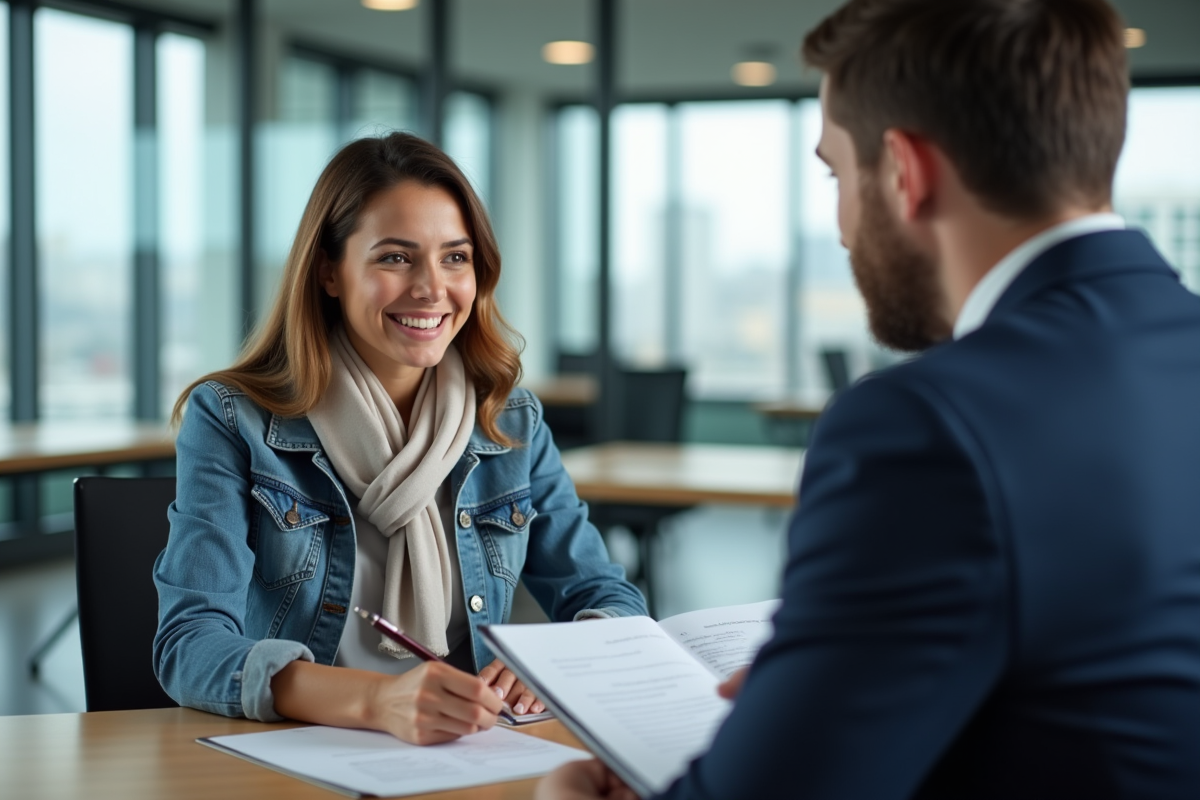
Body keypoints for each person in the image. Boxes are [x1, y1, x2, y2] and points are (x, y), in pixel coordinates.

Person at [540, 0, 1200, 797]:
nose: (843, 227)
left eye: (835, 174)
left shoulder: (925, 426)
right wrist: (845, 682)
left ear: (903, 172)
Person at [153, 132, 646, 745]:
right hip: (306, 748)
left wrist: (557, 664)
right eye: (394, 258)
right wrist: (378, 700)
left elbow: (606, 595)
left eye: (455, 257)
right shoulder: (234, 418)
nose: (431, 288)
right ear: (329, 271)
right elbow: (190, 645)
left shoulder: (509, 419)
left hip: (468, 749)